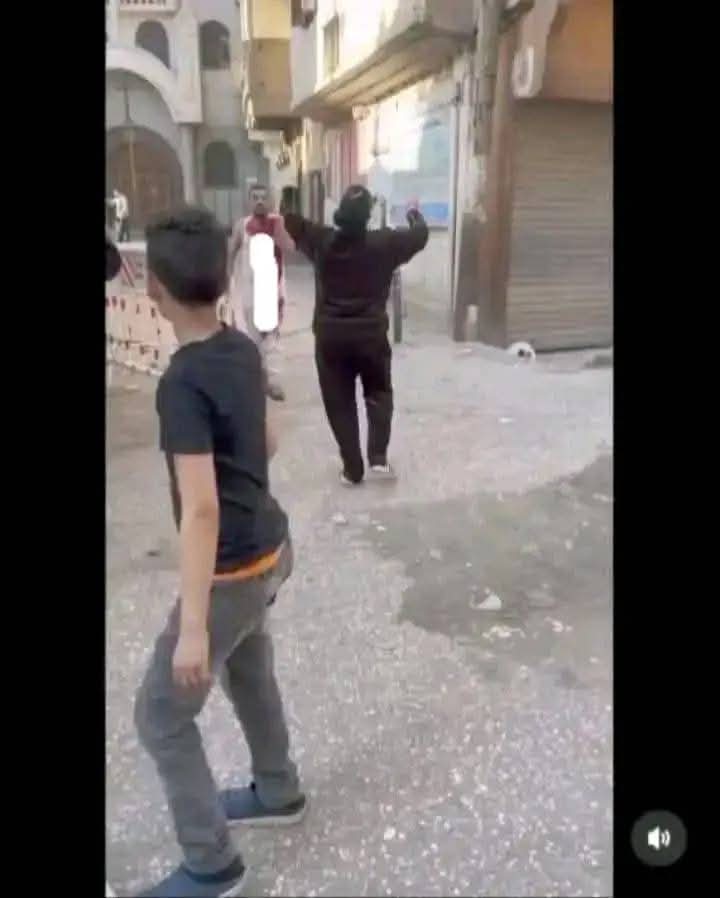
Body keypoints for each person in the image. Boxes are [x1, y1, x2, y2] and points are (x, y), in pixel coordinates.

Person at [135, 207, 305, 898]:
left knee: (161, 716)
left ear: (155, 288)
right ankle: (278, 789)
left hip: (231, 570)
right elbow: (268, 442)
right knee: (250, 672)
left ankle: (211, 864)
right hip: (271, 549)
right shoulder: (239, 347)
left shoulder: (182, 383)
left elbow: (200, 508)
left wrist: (193, 628)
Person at [283, 185, 429, 485]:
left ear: (340, 212)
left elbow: (292, 222)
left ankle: (352, 468)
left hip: (331, 338)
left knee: (339, 402)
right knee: (378, 393)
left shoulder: (321, 241)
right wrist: (414, 213)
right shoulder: (385, 243)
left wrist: (287, 200)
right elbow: (420, 236)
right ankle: (378, 458)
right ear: (368, 215)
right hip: (371, 336)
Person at [228, 185, 294, 402]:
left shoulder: (277, 223)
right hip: (248, 291)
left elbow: (289, 247)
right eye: (255, 197)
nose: (259, 201)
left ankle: (269, 381)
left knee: (270, 338)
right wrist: (226, 282)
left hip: (271, 290)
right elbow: (231, 252)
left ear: (270, 201)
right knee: (249, 337)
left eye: (263, 198)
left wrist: (278, 229)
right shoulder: (242, 226)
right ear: (248, 201)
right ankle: (255, 381)